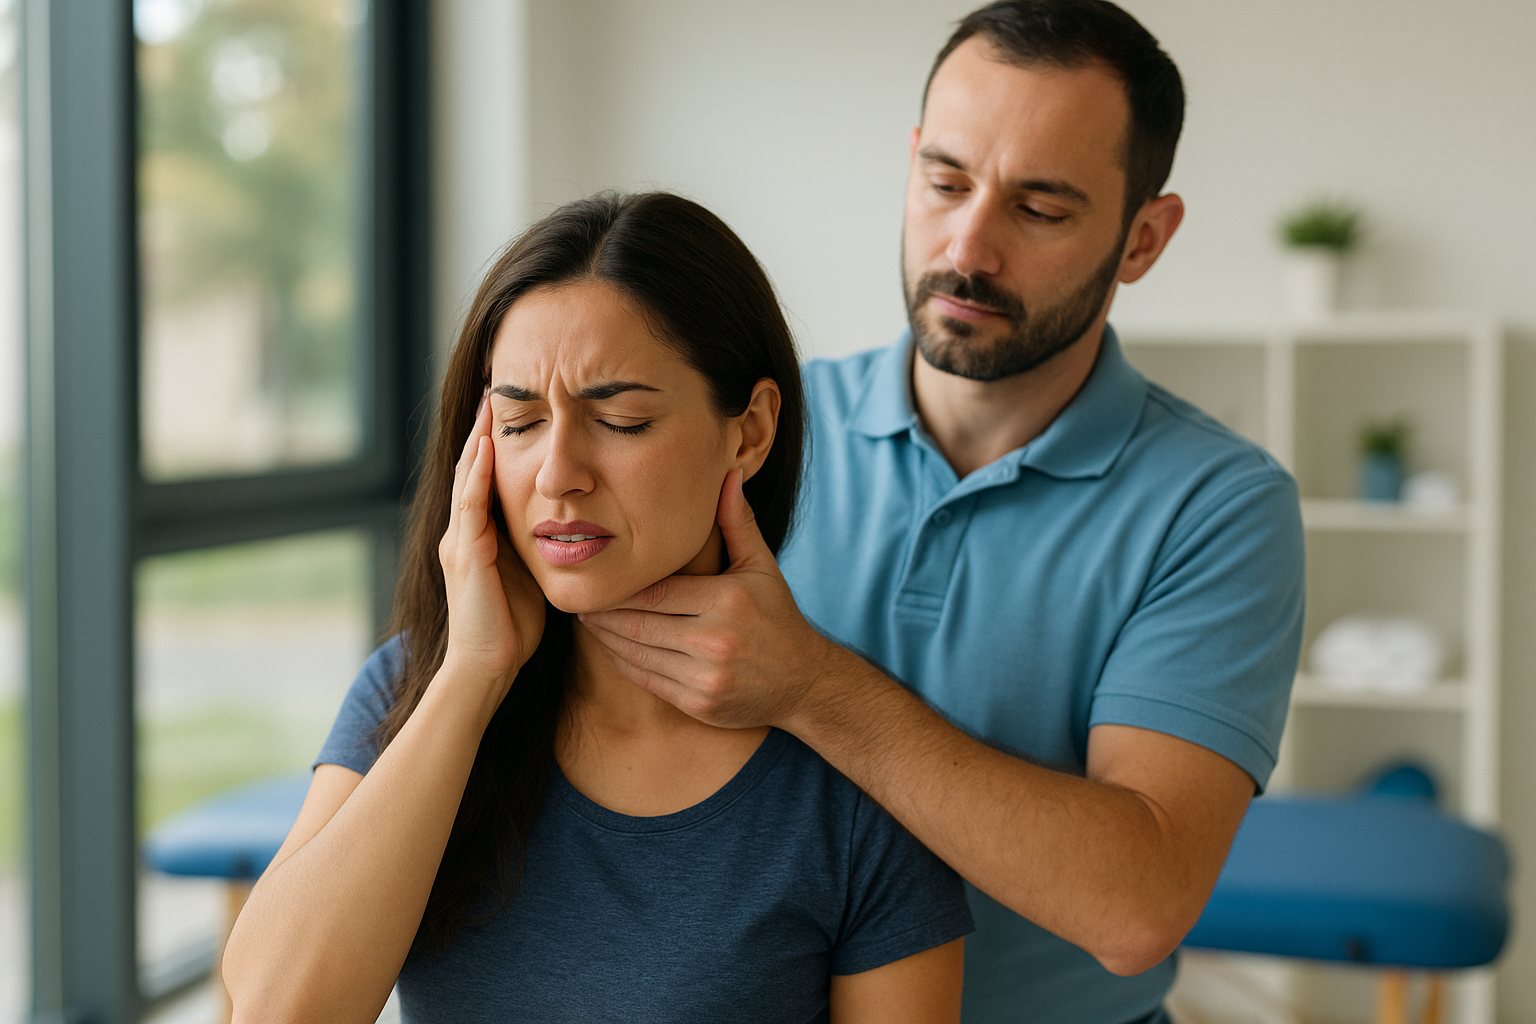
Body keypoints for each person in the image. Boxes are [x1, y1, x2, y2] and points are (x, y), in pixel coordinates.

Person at [577, 4, 1306, 1023]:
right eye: (946, 182)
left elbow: (1138, 902)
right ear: (911, 160)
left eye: (1040, 209)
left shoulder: (1217, 506)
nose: (969, 247)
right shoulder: (756, 431)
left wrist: (811, 685)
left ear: (1144, 237)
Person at [221, 192, 974, 1024]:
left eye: (620, 420)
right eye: (520, 422)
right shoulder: (412, 689)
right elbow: (273, 1013)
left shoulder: (854, 784)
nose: (558, 474)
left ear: (750, 432)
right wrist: (471, 679)